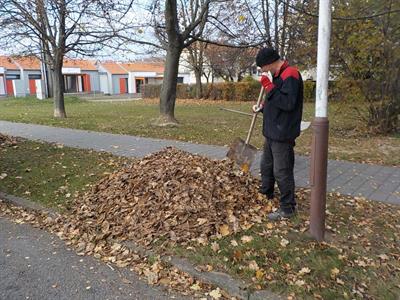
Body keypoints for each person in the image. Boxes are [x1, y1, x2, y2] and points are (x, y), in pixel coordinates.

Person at [253, 47, 304, 220]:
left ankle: (288, 208)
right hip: (272, 131)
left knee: (282, 170)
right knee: (266, 166)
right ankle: (265, 194)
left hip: (283, 133)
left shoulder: (291, 75)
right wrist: (262, 108)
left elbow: (288, 103)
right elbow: (275, 102)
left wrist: (268, 86)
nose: (263, 72)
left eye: (263, 68)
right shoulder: (275, 76)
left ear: (270, 63)